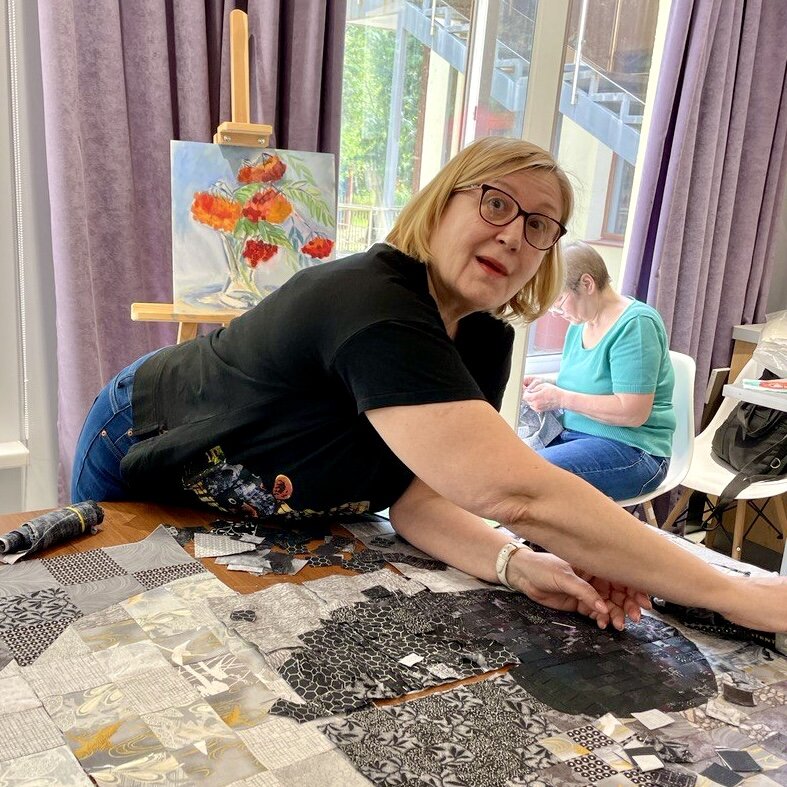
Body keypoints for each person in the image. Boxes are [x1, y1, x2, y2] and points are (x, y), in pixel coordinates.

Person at [72, 136, 787, 635]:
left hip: (269, 505)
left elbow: (419, 498)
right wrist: (734, 593)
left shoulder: (485, 339)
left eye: (540, 225)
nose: (514, 235)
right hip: (149, 442)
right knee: (105, 623)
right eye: (497, 204)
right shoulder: (371, 301)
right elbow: (516, 493)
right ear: (442, 203)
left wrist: (515, 563)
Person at [522, 241, 675, 500]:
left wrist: (560, 398)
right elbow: (591, 381)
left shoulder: (636, 325)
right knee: (504, 461)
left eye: (559, 299)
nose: (557, 311)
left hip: (634, 449)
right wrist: (547, 383)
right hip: (575, 436)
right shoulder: (579, 325)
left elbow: (633, 412)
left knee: (528, 475)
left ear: (587, 284)